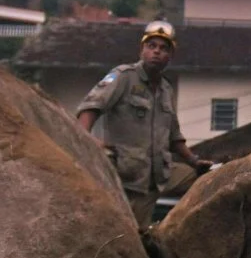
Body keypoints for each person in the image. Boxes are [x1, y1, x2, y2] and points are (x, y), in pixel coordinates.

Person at [75, 21, 212, 227]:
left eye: (163, 48)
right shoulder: (123, 77)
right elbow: (89, 108)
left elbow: (174, 137)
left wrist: (195, 162)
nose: (156, 52)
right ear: (142, 50)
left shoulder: (166, 89)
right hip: (130, 177)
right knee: (132, 235)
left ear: (170, 56)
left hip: (160, 175)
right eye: (152, 46)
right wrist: (89, 141)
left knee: (210, 180)